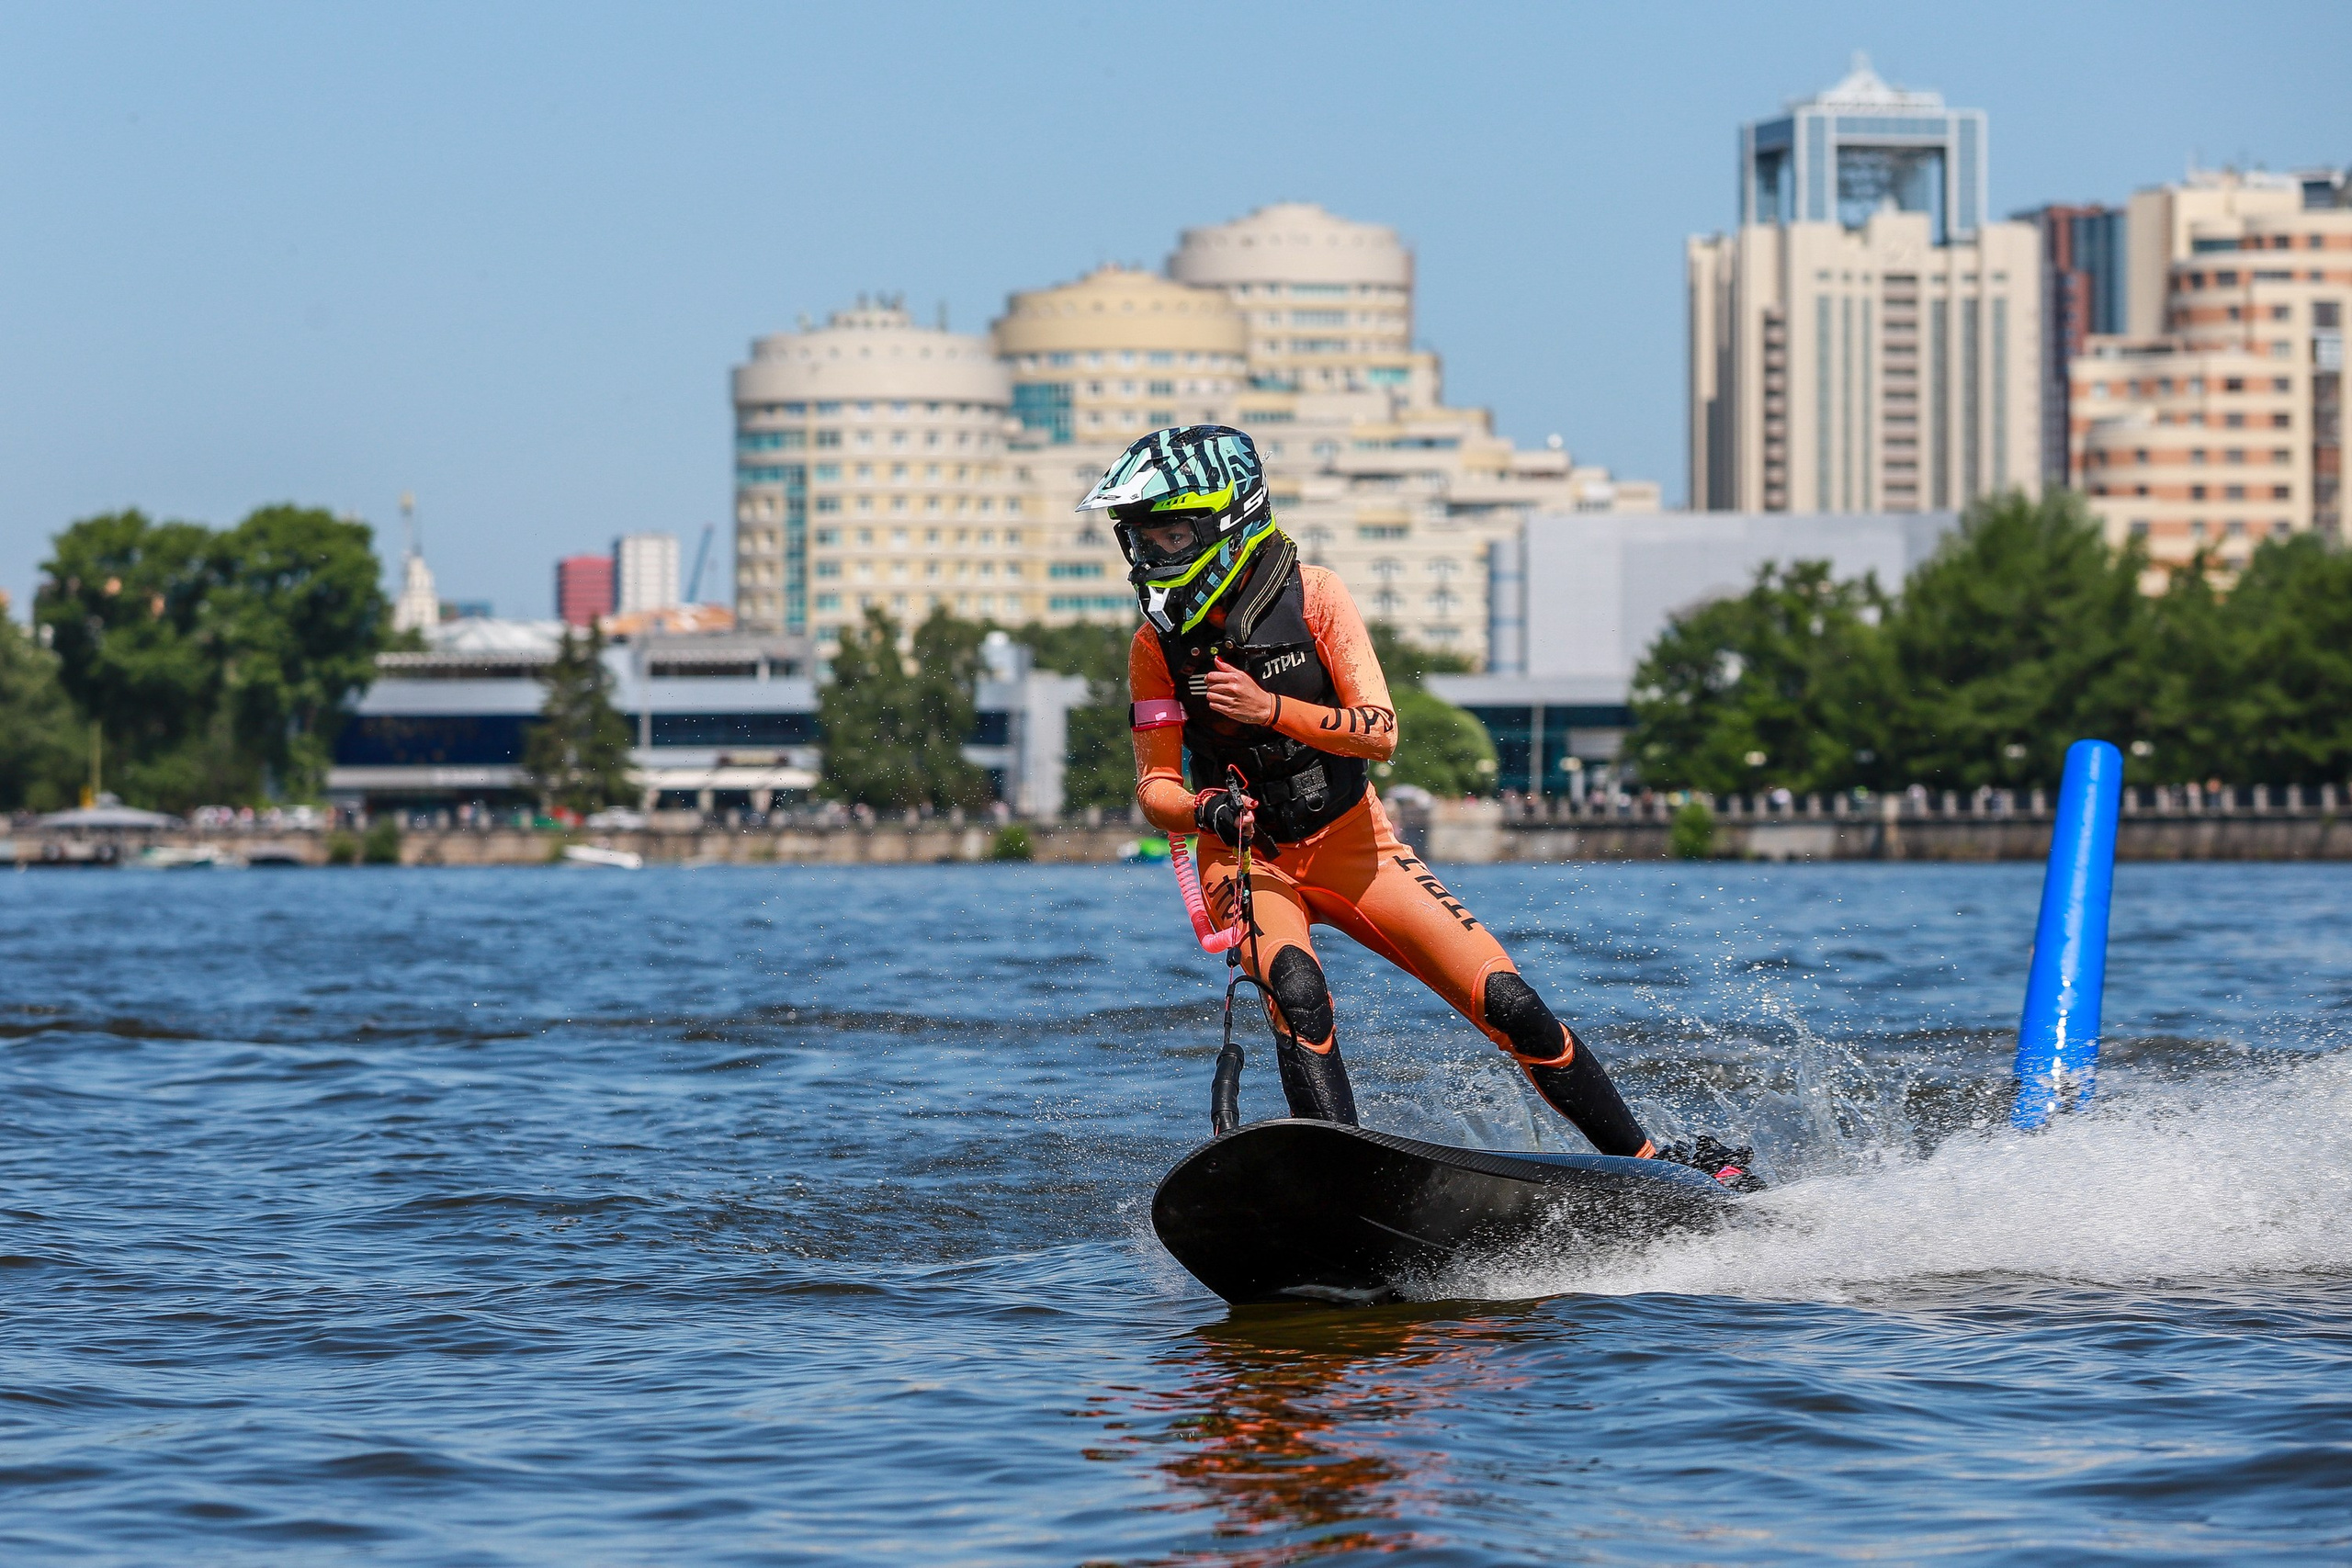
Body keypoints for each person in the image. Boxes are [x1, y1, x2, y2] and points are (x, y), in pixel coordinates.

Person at [1081, 424, 1754, 1188]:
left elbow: (1380, 733)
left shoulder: (1318, 597)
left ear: (1227, 520)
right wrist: (1205, 811)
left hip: (1354, 844)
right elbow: (1154, 791)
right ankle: (1338, 1178)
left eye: (1170, 535)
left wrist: (1270, 708)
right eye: (1138, 539)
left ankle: (1646, 1167)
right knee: (1296, 988)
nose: (1152, 557)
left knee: (1513, 1003)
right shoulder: (1153, 648)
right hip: (1246, 857)